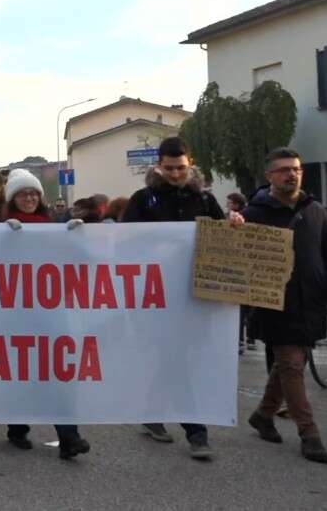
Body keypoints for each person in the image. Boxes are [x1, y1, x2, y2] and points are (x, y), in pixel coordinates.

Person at [121, 136, 239, 460]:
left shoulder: (203, 199)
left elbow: (223, 237)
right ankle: (197, 432)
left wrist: (233, 224)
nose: (175, 174)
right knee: (177, 358)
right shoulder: (143, 200)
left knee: (176, 358)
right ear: (159, 165)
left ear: (191, 163)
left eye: (181, 168)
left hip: (194, 295)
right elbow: (123, 244)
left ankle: (150, 414)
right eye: (169, 168)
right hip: (155, 298)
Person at [244, 148, 327, 464]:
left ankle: (263, 414)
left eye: (295, 169)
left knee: (287, 366)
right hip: (275, 304)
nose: (291, 174)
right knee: (292, 364)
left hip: (312, 301)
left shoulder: (315, 211)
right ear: (269, 175)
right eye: (283, 170)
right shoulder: (254, 214)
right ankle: (309, 434)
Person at [0, 169, 91, 460]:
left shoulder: (54, 227)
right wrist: (2, 236)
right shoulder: (3, 228)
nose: (28, 198)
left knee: (59, 371)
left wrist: (78, 236)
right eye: (22, 194)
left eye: (33, 193)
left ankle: (69, 436)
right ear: (13, 199)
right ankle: (17, 428)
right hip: (15, 311)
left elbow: (79, 260)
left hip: (51, 309)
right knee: (20, 372)